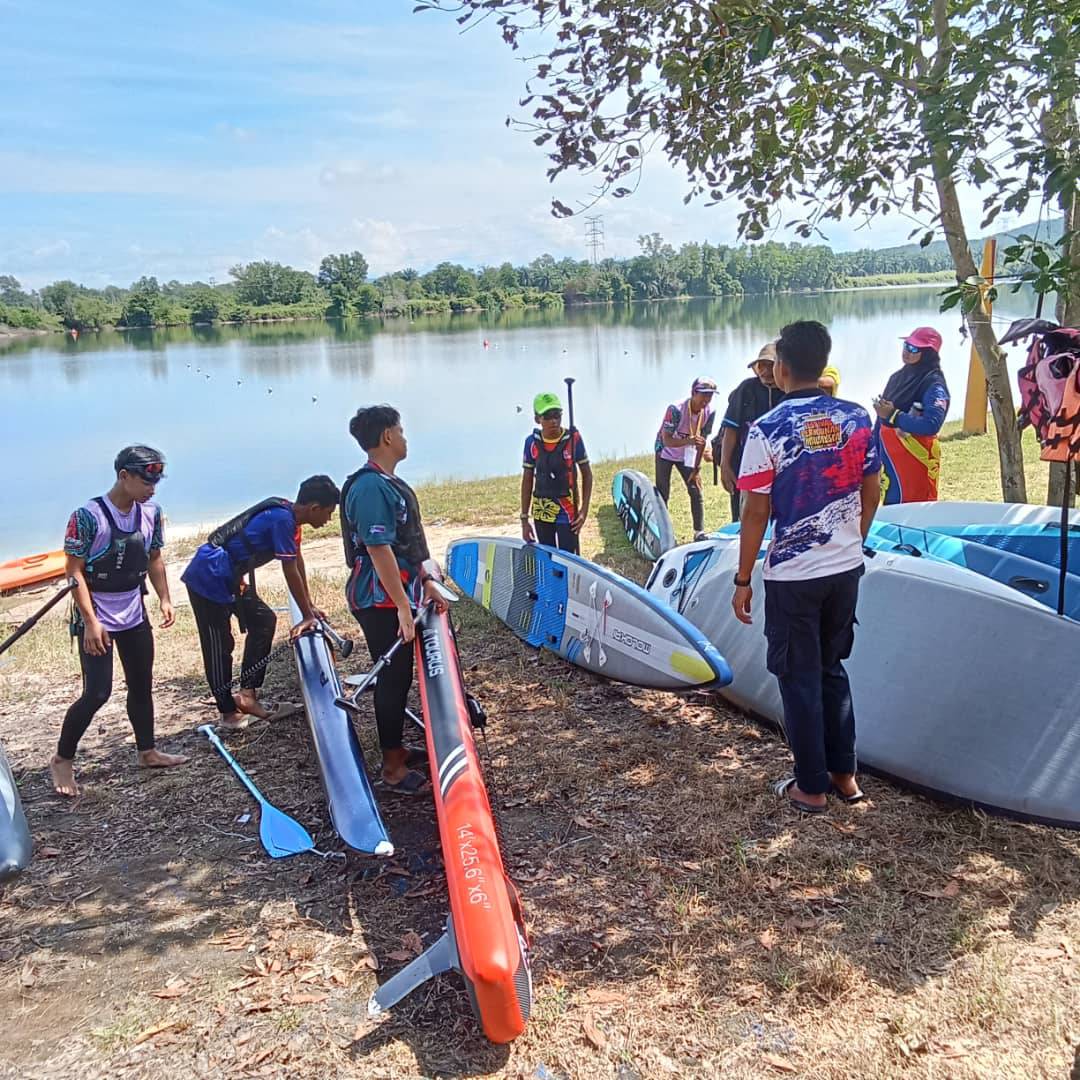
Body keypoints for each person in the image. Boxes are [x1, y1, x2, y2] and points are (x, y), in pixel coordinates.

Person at [731, 321, 880, 814]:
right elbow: (871, 487)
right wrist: (853, 535)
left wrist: (743, 577)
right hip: (846, 568)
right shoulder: (858, 418)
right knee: (831, 667)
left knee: (797, 675)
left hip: (795, 576)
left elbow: (754, 511)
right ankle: (845, 776)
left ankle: (810, 786)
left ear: (782, 368)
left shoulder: (768, 429)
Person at [51, 446, 187, 797]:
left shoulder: (151, 513)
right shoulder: (87, 516)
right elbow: (74, 573)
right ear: (124, 476)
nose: (152, 488)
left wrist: (165, 597)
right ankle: (62, 759)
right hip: (97, 614)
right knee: (97, 692)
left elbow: (154, 558)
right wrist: (91, 622)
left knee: (141, 683)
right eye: (146, 480)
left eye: (157, 480)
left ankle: (147, 751)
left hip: (133, 609)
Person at [342, 405, 449, 795]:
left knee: (400, 675)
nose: (405, 437)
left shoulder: (388, 482)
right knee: (392, 676)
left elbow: (408, 542)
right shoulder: (370, 487)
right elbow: (378, 549)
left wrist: (426, 581)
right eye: (401, 431)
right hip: (379, 599)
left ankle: (398, 749)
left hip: (397, 593)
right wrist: (403, 605)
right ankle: (391, 768)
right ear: (387, 436)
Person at [181, 476, 339, 730]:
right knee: (218, 644)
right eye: (329, 513)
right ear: (314, 508)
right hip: (208, 574)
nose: (329, 520)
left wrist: (309, 607)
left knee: (264, 620)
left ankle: (247, 694)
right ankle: (228, 713)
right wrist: (307, 616)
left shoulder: (292, 519)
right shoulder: (283, 520)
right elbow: (289, 570)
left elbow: (297, 562)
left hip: (232, 575)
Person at [874, 327, 950, 504]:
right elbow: (881, 418)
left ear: (928, 354)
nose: (907, 351)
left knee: (915, 510)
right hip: (889, 455)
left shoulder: (934, 384)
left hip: (915, 456)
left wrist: (894, 415)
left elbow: (932, 424)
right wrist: (871, 453)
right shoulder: (897, 378)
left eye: (915, 349)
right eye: (906, 345)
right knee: (891, 507)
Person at [717, 346, 785, 523]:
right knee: (744, 515)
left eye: (769, 365)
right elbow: (730, 429)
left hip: (780, 469)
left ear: (780, 367)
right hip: (744, 466)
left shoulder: (788, 391)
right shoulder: (746, 389)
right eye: (760, 366)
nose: (763, 371)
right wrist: (725, 465)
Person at [520, 392, 593, 554]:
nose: (554, 420)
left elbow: (587, 474)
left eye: (557, 415)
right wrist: (524, 519)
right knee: (548, 558)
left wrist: (583, 511)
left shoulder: (573, 439)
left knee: (569, 558)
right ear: (537, 419)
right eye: (547, 416)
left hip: (567, 510)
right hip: (542, 511)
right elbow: (527, 480)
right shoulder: (531, 443)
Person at [656, 377, 718, 540]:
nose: (706, 399)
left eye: (710, 395)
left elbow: (702, 442)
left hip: (687, 455)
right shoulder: (675, 410)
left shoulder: (709, 412)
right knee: (663, 493)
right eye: (703, 395)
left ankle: (699, 532)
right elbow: (666, 440)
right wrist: (688, 440)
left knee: (695, 490)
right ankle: (662, 533)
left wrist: (696, 468)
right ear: (693, 393)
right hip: (665, 453)